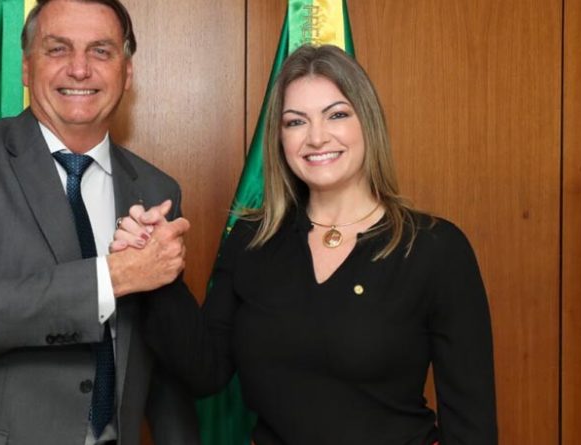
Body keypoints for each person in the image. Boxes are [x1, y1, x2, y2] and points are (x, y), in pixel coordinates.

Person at [113, 44, 498, 444]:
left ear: (368, 123)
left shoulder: (436, 248)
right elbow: (204, 371)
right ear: (280, 139)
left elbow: (471, 425)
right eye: (296, 122)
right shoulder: (252, 238)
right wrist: (154, 269)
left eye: (337, 115)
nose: (316, 137)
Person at [0, 1, 200, 444]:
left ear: (127, 72)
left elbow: (159, 360)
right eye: (58, 49)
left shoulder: (155, 188)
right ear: (27, 68)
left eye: (101, 51)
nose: (79, 69)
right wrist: (110, 279)